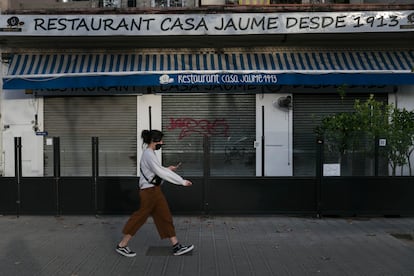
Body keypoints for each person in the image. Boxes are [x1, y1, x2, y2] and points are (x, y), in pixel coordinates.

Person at [116, 129, 194, 257]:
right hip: (149, 192)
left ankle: (176, 246)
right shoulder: (148, 154)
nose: (162, 143)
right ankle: (122, 245)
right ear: (154, 141)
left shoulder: (150, 153)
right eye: (161, 141)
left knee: (165, 217)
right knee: (140, 217)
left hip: (154, 191)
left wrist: (168, 169)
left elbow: (157, 170)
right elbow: (159, 172)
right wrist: (181, 181)